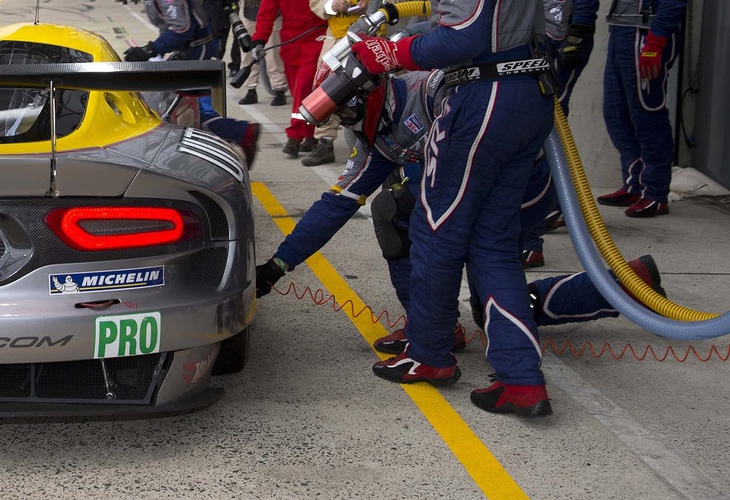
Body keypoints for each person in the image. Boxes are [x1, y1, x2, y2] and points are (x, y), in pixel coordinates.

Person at [353, 0, 553, 417]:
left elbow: (463, 38)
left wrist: (388, 54)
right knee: (493, 243)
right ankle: (521, 377)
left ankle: (430, 351)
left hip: (483, 97)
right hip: (529, 98)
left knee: (436, 227)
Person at [254, 71, 666, 343]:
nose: (344, 122)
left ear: (366, 93)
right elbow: (334, 207)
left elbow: (461, 163)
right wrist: (278, 266)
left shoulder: (432, 89)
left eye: (344, 111)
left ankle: (431, 329)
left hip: (519, 184)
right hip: (476, 186)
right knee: (399, 216)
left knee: (401, 211)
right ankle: (629, 282)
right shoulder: (372, 137)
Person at [579, 0, 691, 218]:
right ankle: (634, 183)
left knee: (647, 113)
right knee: (617, 112)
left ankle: (655, 191)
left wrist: (656, 44)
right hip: (621, 33)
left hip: (647, 37)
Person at [108, 0, 259, 166]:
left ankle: (241, 134)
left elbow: (182, 29)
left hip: (195, 50)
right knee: (185, 108)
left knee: (180, 109)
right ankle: (239, 134)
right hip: (191, 49)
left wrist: (149, 50)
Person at [484, 0, 572, 268]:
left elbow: (552, 36)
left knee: (533, 164)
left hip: (529, 83)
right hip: (489, 80)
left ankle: (531, 239)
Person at [305, 0, 411, 167]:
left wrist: (379, 4)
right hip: (338, 36)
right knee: (326, 86)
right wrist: (332, 5)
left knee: (383, 88)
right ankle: (324, 142)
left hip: (377, 38)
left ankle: (387, 137)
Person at [253, 0, 329, 152]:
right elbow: (265, 15)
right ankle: (310, 134)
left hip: (316, 38)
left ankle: (295, 136)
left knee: (304, 86)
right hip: (289, 43)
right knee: (299, 89)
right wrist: (258, 40)